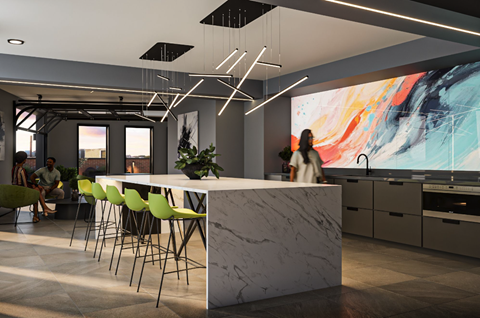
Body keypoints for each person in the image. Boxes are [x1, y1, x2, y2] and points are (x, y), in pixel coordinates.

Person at [12, 151, 56, 223]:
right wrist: (35, 187)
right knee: (36, 192)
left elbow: (19, 182)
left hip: (15, 189)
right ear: (24, 160)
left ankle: (41, 211)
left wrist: (36, 185)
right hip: (21, 190)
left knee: (37, 188)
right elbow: (25, 185)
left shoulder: (14, 168)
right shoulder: (22, 170)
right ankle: (39, 213)